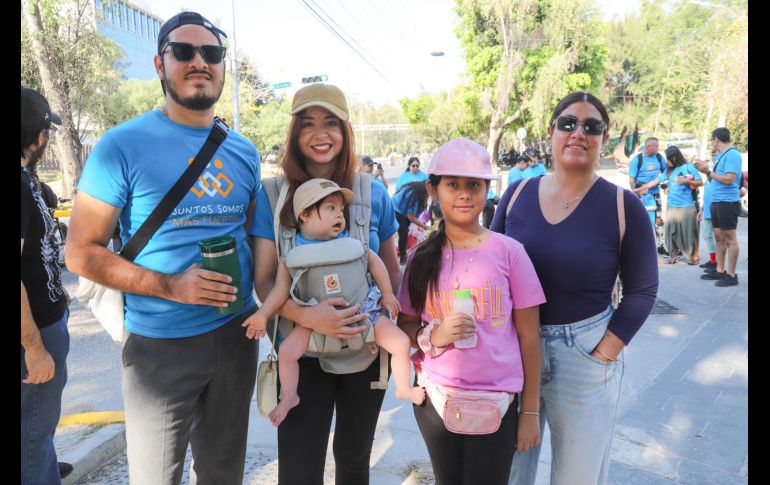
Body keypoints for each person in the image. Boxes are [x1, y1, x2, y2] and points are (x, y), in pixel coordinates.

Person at [65, 12, 260, 485]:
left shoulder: (244, 151)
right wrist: (172, 286)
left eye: (211, 53)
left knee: (223, 474)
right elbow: (80, 252)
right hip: (160, 347)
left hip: (236, 337)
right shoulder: (121, 145)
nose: (199, 62)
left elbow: (258, 241)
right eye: (184, 52)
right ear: (159, 64)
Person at [491, 92, 658, 485]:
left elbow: (643, 290)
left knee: (577, 478)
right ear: (551, 131)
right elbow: (488, 266)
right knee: (507, 473)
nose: (578, 133)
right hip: (514, 351)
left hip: (584, 356)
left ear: (604, 138)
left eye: (591, 126)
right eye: (568, 123)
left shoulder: (623, 206)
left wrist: (603, 354)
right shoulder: (516, 195)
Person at [250, 83, 402, 483]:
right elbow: (264, 281)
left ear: (345, 130)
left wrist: (397, 328)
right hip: (302, 356)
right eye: (308, 124)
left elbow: (392, 272)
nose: (320, 134)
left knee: (353, 460)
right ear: (294, 133)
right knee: (299, 468)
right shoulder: (271, 196)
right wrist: (306, 316)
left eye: (331, 123)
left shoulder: (372, 194)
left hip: (366, 351)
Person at [397, 137, 545, 485]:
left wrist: (530, 412)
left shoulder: (510, 253)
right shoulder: (421, 259)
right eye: (452, 185)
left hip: (497, 403)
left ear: (486, 191)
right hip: (435, 400)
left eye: (474, 185)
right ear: (433, 190)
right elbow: (405, 326)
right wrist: (433, 336)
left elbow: (529, 337)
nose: (463, 194)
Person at [244, 178, 424, 426]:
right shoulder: (293, 254)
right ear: (304, 214)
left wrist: (387, 293)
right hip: (313, 316)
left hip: (363, 310)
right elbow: (279, 290)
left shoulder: (352, 242)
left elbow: (376, 263)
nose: (340, 214)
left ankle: (403, 388)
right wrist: (263, 314)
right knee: (286, 352)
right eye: (331, 208)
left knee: (401, 343)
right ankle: (289, 395)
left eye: (341, 209)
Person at [21, 86, 71, 485]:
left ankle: (46, 469)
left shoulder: (27, 182)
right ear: (36, 136)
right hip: (34, 334)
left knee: (38, 432)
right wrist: (35, 348)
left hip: (44, 320)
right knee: (32, 437)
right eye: (47, 132)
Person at [694, 128, 742, 286]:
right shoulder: (720, 156)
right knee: (719, 238)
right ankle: (720, 270)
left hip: (727, 202)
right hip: (716, 202)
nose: (711, 143)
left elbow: (729, 179)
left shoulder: (732, 154)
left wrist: (708, 171)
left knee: (730, 239)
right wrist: (704, 171)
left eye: (712, 140)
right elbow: (714, 179)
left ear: (716, 139)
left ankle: (732, 275)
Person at [658, 146, 703, 265]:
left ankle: (695, 256)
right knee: (670, 232)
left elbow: (700, 182)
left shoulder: (688, 167)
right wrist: (641, 188)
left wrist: (686, 181)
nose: (667, 161)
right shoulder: (669, 170)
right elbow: (657, 180)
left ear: (674, 157)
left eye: (668, 158)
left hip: (687, 205)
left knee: (690, 232)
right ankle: (674, 256)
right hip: (672, 205)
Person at [629, 137, 668, 256]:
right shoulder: (637, 160)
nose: (657, 148)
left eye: (658, 145)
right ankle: (641, 247)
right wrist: (636, 195)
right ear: (647, 147)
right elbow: (631, 179)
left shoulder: (659, 157)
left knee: (658, 221)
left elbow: (666, 171)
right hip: (642, 196)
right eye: (655, 146)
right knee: (641, 222)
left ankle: (660, 246)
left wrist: (665, 184)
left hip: (655, 195)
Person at [393, 180, 431, 264]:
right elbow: (411, 217)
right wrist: (425, 226)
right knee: (403, 232)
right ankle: (403, 257)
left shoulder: (416, 189)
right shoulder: (415, 196)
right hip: (396, 209)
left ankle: (406, 250)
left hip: (401, 209)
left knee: (408, 230)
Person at [697, 167, 718, 272]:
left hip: (717, 211)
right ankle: (713, 260)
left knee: (719, 238)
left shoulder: (717, 180)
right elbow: (705, 196)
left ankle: (718, 262)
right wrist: (701, 209)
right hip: (707, 212)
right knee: (707, 235)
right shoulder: (707, 181)